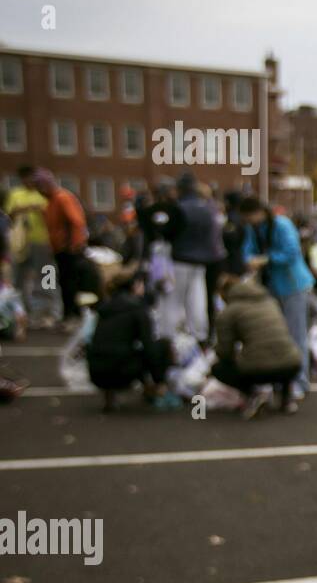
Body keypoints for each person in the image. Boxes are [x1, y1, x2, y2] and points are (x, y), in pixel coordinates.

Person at [239, 198, 314, 399]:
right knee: (278, 335)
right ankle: (281, 380)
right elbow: (246, 250)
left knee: (296, 334)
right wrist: (249, 260)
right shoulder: (252, 229)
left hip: (293, 284)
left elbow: (292, 252)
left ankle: (300, 381)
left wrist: (266, 259)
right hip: (271, 286)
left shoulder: (282, 225)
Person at [212, 275, 305, 418]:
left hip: (260, 370)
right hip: (293, 363)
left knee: (219, 368)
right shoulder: (270, 301)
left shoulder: (228, 312)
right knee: (280, 354)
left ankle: (254, 395)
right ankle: (286, 400)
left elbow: (225, 352)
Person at [87, 270, 176, 413]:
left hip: (96, 370)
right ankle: (159, 391)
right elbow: (149, 348)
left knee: (119, 350)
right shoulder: (138, 309)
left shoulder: (105, 308)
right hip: (121, 370)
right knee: (163, 346)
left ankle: (110, 396)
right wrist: (158, 377)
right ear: (135, 286)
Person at [167, 173, 226, 344]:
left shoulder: (178, 208)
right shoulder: (209, 208)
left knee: (176, 304)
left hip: (181, 260)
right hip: (205, 262)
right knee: (198, 302)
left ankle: (177, 340)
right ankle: (201, 335)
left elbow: (169, 233)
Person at [32, 169, 90, 327]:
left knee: (69, 283)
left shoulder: (62, 198)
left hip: (68, 250)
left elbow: (76, 222)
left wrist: (72, 245)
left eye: (39, 187)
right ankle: (70, 314)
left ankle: (71, 316)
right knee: (63, 282)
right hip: (60, 249)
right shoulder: (51, 202)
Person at [5, 166, 59, 328]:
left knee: (46, 275)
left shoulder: (42, 194)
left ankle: (49, 311)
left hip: (42, 241)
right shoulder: (15, 194)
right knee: (18, 278)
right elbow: (9, 215)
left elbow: (51, 213)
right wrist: (22, 209)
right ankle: (23, 312)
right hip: (20, 242)